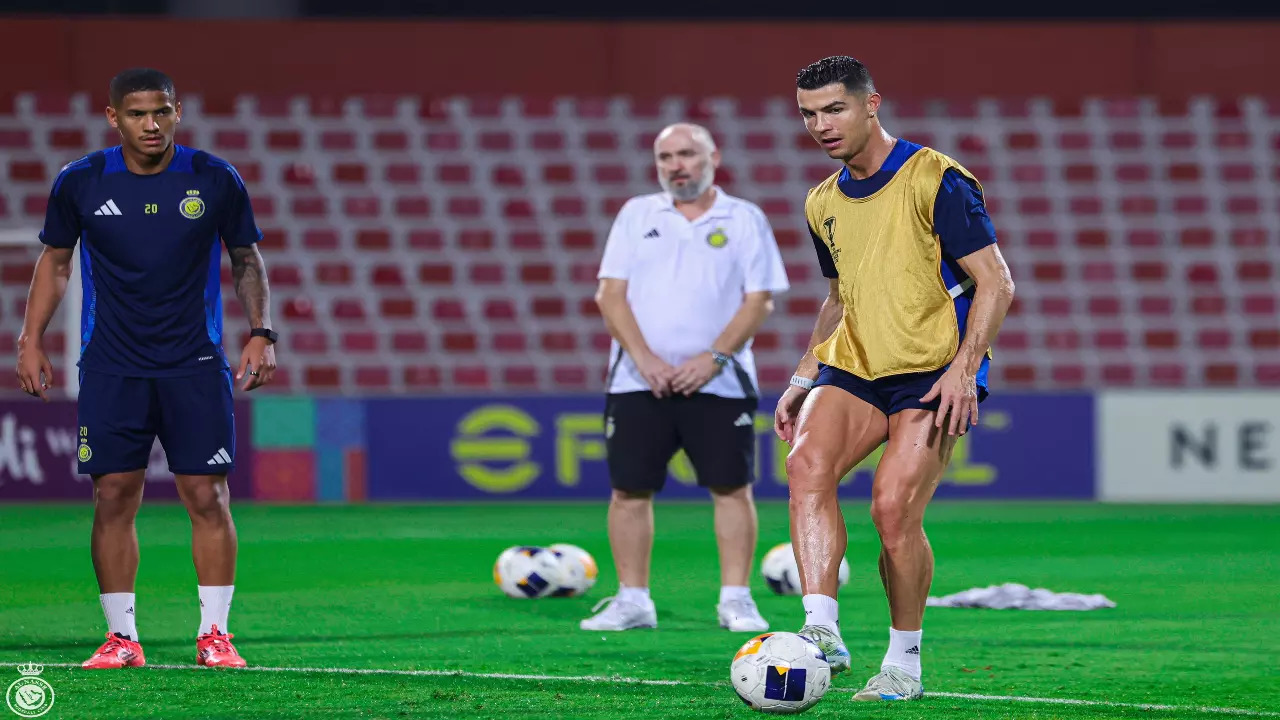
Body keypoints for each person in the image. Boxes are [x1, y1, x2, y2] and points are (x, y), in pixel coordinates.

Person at [14, 68, 278, 670]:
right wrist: (30, 340)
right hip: (112, 366)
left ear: (177, 112)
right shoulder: (80, 181)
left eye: (161, 111)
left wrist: (261, 332)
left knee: (208, 495)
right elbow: (55, 262)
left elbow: (246, 257)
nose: (150, 124)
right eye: (136, 114)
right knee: (112, 495)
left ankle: (215, 634)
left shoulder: (213, 178)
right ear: (114, 118)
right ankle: (121, 638)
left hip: (194, 363)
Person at [775, 57, 1016, 700]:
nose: (821, 125)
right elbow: (838, 296)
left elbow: (996, 281)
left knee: (892, 512)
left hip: (932, 370)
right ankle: (820, 629)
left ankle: (903, 661)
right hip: (855, 363)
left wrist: (966, 370)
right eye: (808, 113)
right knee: (805, 466)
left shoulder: (933, 177)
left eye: (834, 109)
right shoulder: (821, 202)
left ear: (871, 103)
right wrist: (803, 374)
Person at [580, 123, 790, 633]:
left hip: (720, 381)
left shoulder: (743, 218)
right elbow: (610, 295)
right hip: (637, 380)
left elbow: (759, 298)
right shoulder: (636, 214)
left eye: (687, 155)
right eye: (666, 156)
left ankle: (736, 599)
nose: (676, 165)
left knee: (731, 488)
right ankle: (633, 599)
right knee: (628, 491)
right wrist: (645, 359)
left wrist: (712, 359)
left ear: (712, 156)